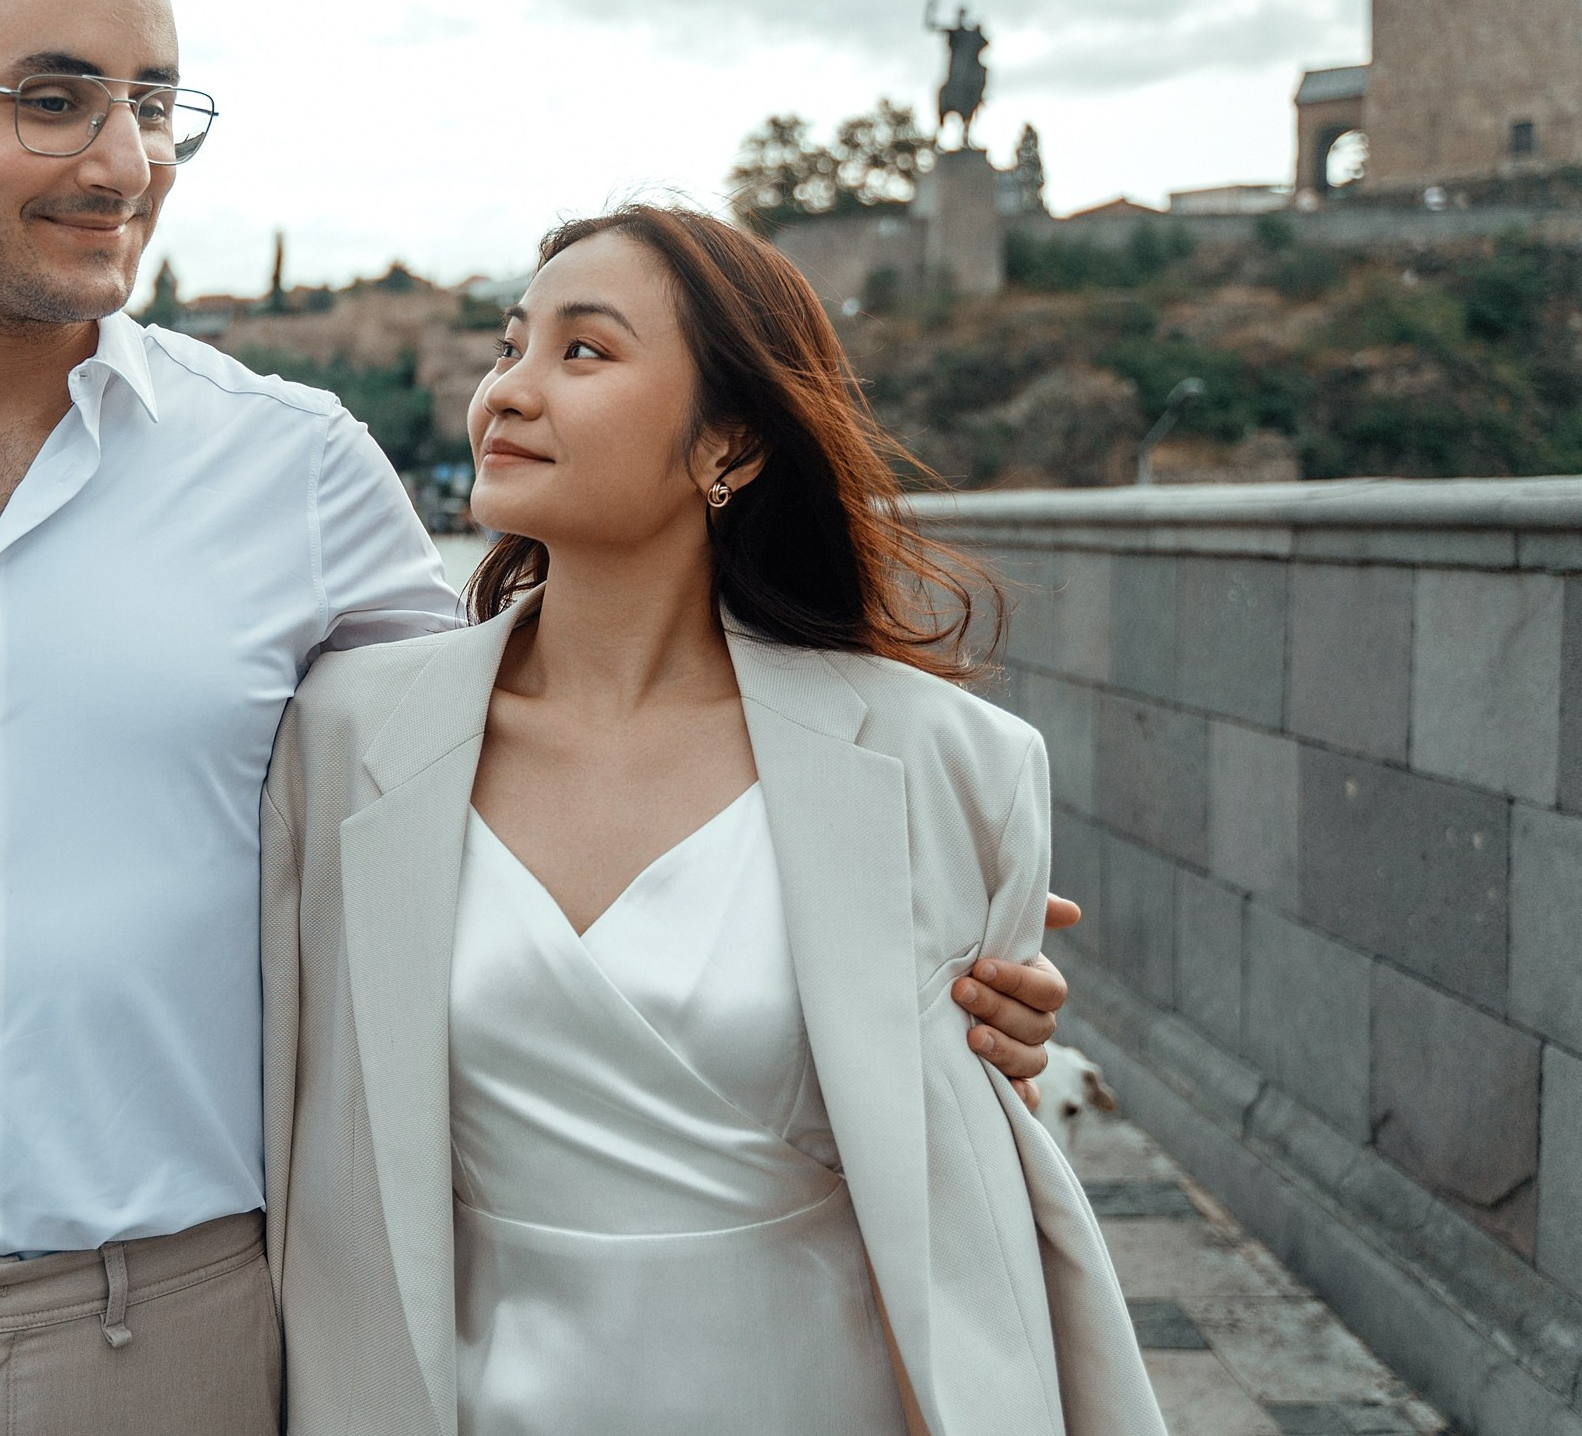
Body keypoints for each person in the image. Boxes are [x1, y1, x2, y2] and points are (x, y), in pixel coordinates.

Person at [0, 0, 1070, 1436]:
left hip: (177, 1348)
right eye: (53, 98)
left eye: (156, 103)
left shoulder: (298, 468)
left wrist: (890, 927)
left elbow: (512, 757)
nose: (123, 159)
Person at [265, 205, 1160, 1436]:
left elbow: (961, 1197)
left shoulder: (942, 763)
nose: (507, 393)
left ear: (727, 442)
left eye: (582, 353)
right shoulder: (346, 736)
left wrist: (994, 1030)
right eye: (508, 346)